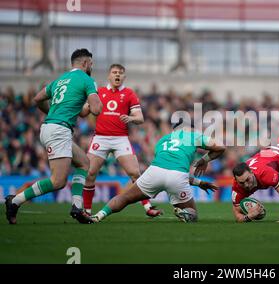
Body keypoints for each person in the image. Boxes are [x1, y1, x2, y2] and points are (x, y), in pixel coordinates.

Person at [5, 48, 103, 225]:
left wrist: (53, 112)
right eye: (91, 64)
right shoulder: (87, 80)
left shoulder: (61, 80)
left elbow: (37, 98)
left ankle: (77, 206)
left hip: (52, 128)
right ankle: (15, 201)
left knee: (84, 162)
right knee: (58, 181)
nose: (91, 67)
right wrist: (96, 99)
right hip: (59, 130)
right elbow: (96, 110)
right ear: (86, 63)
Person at [90, 118, 225, 223]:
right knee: (192, 214)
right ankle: (180, 211)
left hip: (154, 172)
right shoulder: (193, 135)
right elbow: (220, 147)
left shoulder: (162, 141)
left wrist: (199, 183)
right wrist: (204, 160)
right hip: (177, 177)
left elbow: (166, 169)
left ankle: (99, 215)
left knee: (125, 198)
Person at [82, 64, 161, 217]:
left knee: (135, 173)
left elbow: (140, 118)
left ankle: (148, 208)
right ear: (109, 76)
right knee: (90, 173)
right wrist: (81, 103)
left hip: (120, 139)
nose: (117, 75)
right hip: (101, 137)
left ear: (124, 77)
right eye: (114, 72)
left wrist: (131, 118)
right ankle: (86, 212)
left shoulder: (129, 93)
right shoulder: (99, 92)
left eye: (120, 73)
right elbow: (84, 112)